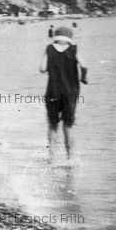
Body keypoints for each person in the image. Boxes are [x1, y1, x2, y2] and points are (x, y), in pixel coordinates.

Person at [39, 26, 88, 160]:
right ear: (69, 39)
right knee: (68, 126)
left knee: (53, 125)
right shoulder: (74, 49)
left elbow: (42, 68)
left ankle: (52, 157)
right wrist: (83, 78)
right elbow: (84, 65)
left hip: (53, 91)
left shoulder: (49, 49)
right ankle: (70, 157)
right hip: (70, 93)